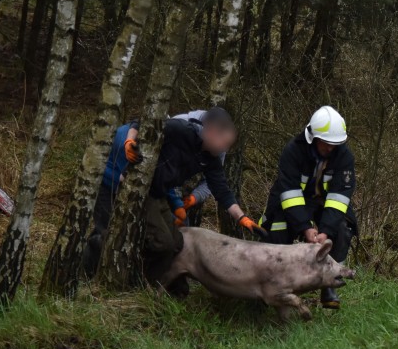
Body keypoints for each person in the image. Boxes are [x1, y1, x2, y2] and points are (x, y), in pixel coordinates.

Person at [83, 107, 264, 286]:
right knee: (139, 238)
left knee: (177, 242)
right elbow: (141, 124)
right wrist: (130, 142)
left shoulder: (210, 158)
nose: (226, 149)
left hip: (155, 193)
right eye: (225, 143)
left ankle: (145, 282)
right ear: (212, 132)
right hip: (118, 182)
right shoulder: (180, 130)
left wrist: (242, 218)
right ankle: (88, 271)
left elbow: (221, 190)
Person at [260, 105, 357, 309]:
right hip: (294, 202)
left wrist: (325, 231)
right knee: (277, 229)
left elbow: (339, 197)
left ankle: (329, 283)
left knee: (343, 228)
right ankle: (278, 283)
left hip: (325, 204)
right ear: (313, 138)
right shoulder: (293, 151)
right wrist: (305, 227)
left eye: (335, 144)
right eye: (326, 143)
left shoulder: (344, 156)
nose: (331, 148)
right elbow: (289, 193)